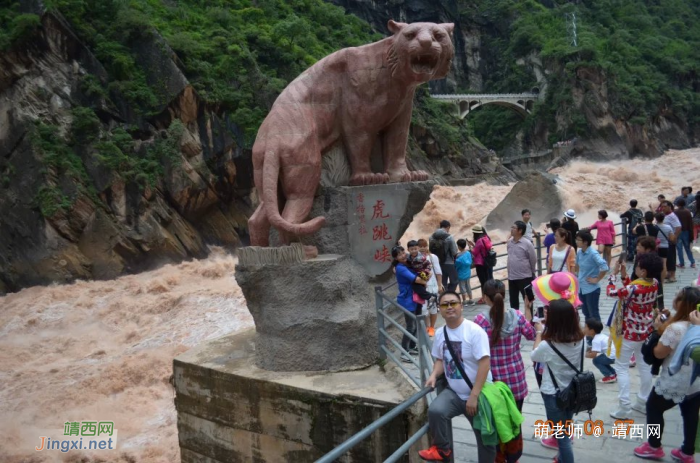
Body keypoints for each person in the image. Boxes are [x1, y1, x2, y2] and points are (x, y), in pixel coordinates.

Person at [419, 291, 495, 462]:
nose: (450, 307)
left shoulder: (474, 331)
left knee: (486, 440)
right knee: (436, 411)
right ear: (440, 309)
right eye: (445, 304)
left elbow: (485, 363)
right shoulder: (440, 333)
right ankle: (443, 449)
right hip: (454, 392)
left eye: (453, 303)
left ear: (461, 305)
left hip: (478, 394)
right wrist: (433, 375)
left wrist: (474, 396)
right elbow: (440, 358)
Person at [633, 287, 700, 462]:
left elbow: (659, 353)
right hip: (695, 382)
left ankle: (653, 446)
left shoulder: (675, 329)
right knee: (690, 414)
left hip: (675, 380)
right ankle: (687, 452)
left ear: (681, 304)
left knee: (653, 408)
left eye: (677, 297)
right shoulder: (691, 326)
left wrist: (658, 329)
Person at [606, 252, 662, 419]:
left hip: (628, 334)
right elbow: (631, 290)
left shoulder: (633, 288)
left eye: (637, 266)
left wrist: (613, 275)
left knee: (621, 368)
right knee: (644, 366)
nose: (635, 268)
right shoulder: (654, 283)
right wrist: (624, 276)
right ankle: (643, 402)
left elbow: (612, 293)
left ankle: (624, 407)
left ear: (643, 271)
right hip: (644, 332)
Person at [531, 298, 585, 463]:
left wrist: (539, 332)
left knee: (562, 438)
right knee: (566, 428)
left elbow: (534, 355)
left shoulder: (549, 345)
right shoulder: (580, 338)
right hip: (573, 391)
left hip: (554, 393)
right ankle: (561, 458)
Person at [474, 279, 536, 411]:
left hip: (493, 382)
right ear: (504, 296)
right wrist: (527, 308)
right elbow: (532, 334)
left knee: (499, 425)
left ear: (485, 297)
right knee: (516, 423)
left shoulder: (480, 321)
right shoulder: (517, 316)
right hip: (515, 378)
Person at [392, 245, 429, 362]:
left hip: (415, 297)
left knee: (417, 323)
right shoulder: (400, 268)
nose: (402, 255)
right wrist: (425, 281)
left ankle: (412, 346)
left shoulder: (408, 263)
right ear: (396, 258)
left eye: (403, 252)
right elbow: (415, 279)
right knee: (410, 325)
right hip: (407, 299)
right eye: (399, 255)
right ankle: (404, 352)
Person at [575, 230, 609, 322]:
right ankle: (589, 333)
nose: (576, 241)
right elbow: (577, 266)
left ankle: (597, 333)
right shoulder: (579, 252)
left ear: (585, 242)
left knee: (593, 313)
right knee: (585, 312)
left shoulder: (593, 253)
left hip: (592, 289)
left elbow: (604, 267)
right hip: (582, 288)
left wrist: (597, 279)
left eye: (578, 240)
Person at [506, 221, 537, 313]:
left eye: (513, 227)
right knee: (513, 302)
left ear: (520, 231)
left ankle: (530, 321)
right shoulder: (509, 243)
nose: (511, 229)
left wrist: (532, 273)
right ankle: (516, 320)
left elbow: (533, 259)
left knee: (528, 300)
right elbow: (510, 257)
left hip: (525, 277)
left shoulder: (527, 243)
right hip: (512, 277)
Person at [418, 238, 443, 337]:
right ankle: (427, 327)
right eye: (420, 246)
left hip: (433, 286)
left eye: (424, 246)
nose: (423, 248)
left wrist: (440, 285)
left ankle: (432, 327)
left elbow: (438, 272)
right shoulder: (415, 258)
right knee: (424, 310)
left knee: (433, 308)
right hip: (421, 287)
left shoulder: (432, 257)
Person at [584, 318, 617, 383]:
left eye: (585, 327)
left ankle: (609, 376)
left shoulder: (596, 340)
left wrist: (583, 354)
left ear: (592, 331)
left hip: (611, 356)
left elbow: (593, 355)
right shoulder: (601, 336)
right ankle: (613, 373)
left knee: (596, 360)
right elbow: (597, 349)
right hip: (615, 355)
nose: (584, 329)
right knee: (601, 359)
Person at [431, 220, 459, 292]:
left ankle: (444, 297)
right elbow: (454, 252)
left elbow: (430, 250)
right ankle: (450, 293)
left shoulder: (432, 237)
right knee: (454, 281)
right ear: (448, 227)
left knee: (443, 283)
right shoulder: (449, 237)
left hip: (437, 263)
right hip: (449, 262)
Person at [406, 240, 436, 304]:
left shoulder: (422, 257)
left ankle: (430, 297)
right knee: (418, 290)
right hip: (415, 274)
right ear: (408, 249)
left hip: (421, 274)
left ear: (418, 248)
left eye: (415, 249)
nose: (414, 251)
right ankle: (429, 299)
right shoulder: (408, 257)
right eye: (412, 249)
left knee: (416, 287)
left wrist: (426, 272)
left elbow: (428, 265)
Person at [469, 225, 493, 303]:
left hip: (480, 263)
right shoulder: (486, 238)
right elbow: (483, 248)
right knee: (489, 279)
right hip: (488, 262)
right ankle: (491, 296)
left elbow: (475, 252)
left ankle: (484, 298)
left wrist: (470, 247)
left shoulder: (479, 240)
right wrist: (474, 245)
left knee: (483, 281)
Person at [661, 200, 681, 282]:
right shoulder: (666, 215)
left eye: (665, 206)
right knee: (668, 258)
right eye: (662, 206)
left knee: (671, 258)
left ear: (670, 207)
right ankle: (668, 274)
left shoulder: (672, 216)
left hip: (670, 240)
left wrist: (674, 237)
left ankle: (673, 276)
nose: (663, 208)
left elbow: (678, 227)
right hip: (666, 240)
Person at [674, 199, 696, 269]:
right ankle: (692, 262)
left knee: (679, 248)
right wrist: (691, 233)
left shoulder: (675, 212)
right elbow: (690, 223)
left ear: (677, 204)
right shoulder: (687, 211)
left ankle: (682, 263)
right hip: (686, 231)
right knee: (687, 248)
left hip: (678, 231)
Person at [655, 212, 675, 284]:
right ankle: (662, 280)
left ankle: (655, 279)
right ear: (663, 218)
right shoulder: (668, 227)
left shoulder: (654, 227)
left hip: (656, 247)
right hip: (665, 247)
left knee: (656, 264)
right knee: (664, 264)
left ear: (656, 219)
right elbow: (672, 238)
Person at [455, 239, 475, 307]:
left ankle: (464, 301)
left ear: (459, 247)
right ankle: (471, 300)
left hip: (461, 274)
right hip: (468, 273)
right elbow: (471, 261)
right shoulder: (468, 253)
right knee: (468, 286)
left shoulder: (458, 257)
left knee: (462, 288)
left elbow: (456, 266)